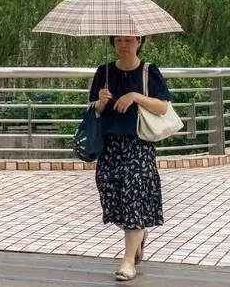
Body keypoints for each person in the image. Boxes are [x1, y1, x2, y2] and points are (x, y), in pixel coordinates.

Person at [89, 34, 173, 282]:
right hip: (111, 144)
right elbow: (92, 107)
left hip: (138, 144)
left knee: (133, 196)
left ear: (139, 41)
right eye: (118, 41)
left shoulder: (149, 71)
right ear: (113, 43)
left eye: (129, 40)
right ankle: (139, 233)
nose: (123, 45)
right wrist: (101, 102)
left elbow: (163, 107)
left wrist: (135, 96)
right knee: (110, 194)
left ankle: (127, 261)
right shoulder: (103, 72)